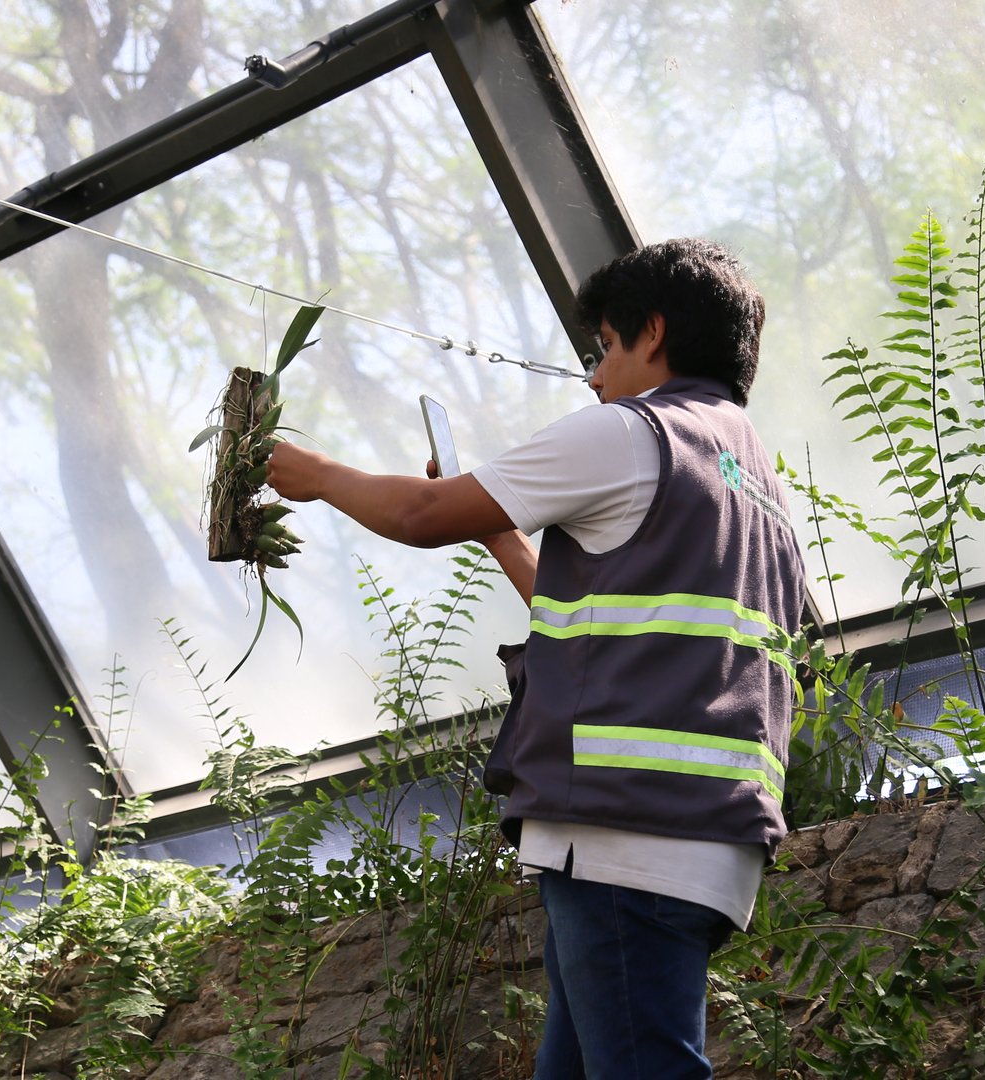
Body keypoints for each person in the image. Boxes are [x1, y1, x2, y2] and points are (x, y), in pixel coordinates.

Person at [267, 237, 805, 1079]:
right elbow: (592, 618)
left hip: (625, 828)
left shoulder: (633, 434)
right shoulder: (758, 489)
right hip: (698, 836)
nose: (594, 377)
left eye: (606, 348)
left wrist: (315, 472)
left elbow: (416, 513)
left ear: (653, 333)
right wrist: (495, 524)